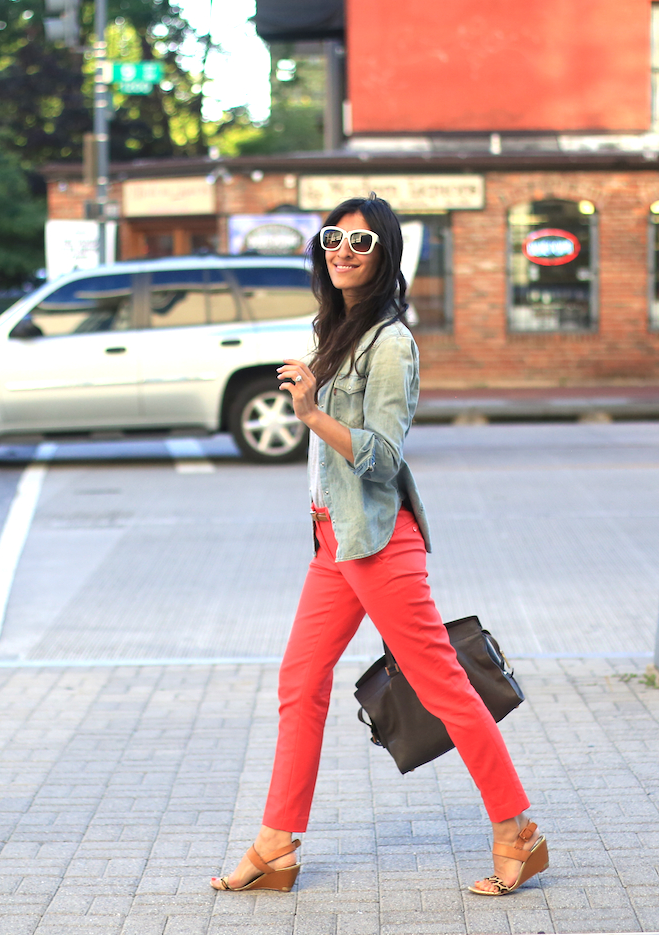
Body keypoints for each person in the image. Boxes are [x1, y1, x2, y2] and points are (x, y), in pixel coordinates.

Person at [210, 195, 547, 897]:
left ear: (384, 255)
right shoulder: (334, 330)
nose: (343, 251)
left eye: (361, 244)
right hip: (334, 538)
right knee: (298, 680)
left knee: (442, 683)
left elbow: (382, 456)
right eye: (334, 238)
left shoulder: (391, 342)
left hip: (378, 541)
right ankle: (276, 841)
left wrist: (308, 412)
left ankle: (516, 826)